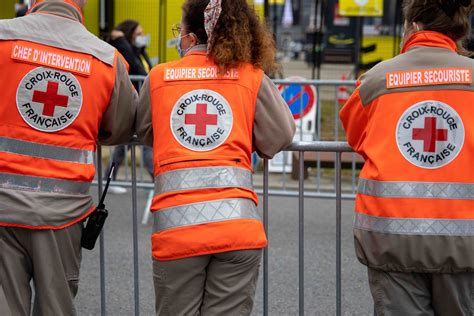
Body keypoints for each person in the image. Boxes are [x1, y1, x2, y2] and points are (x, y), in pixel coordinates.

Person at [136, 0, 295, 314]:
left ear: (192, 38)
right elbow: (280, 135)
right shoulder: (250, 75)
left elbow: (145, 130)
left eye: (178, 31)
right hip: (237, 226)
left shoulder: (159, 77)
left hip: (177, 229)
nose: (178, 37)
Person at [0, 0, 136, 315]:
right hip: (62, 214)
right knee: (56, 308)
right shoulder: (105, 57)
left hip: (3, 205)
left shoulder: (4, 37)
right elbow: (118, 128)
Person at [340, 0, 473, 315]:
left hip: (392, 240)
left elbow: (357, 136)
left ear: (413, 26)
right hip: (465, 244)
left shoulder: (376, 80)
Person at [105, 20, 154, 194]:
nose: (142, 38)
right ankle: (156, 182)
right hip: (134, 103)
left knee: (122, 149)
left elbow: (147, 70)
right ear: (130, 34)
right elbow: (138, 70)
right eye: (138, 34)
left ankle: (107, 180)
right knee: (145, 145)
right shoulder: (124, 49)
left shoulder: (138, 50)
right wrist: (124, 41)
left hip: (141, 101)